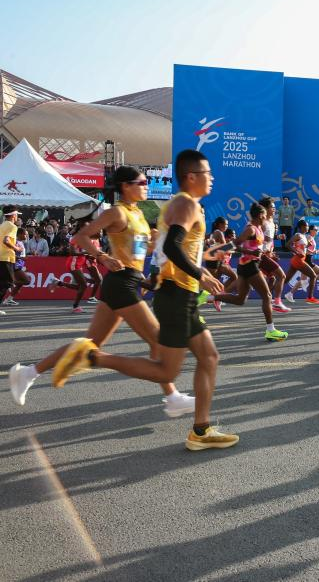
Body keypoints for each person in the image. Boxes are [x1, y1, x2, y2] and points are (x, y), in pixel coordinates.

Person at [22, 150, 238, 450]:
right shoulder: (178, 206)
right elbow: (172, 248)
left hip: (155, 287)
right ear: (191, 177)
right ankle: (92, 359)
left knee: (208, 357)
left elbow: (163, 250)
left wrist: (169, 270)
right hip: (147, 288)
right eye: (207, 173)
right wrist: (198, 272)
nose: (212, 178)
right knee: (165, 366)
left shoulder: (150, 212)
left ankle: (197, 426)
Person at [8, 167, 195, 415]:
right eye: (141, 182)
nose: (146, 186)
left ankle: (27, 373)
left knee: (90, 345)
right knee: (158, 341)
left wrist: (154, 242)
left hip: (126, 281)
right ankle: (172, 397)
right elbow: (81, 236)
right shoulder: (116, 212)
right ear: (126, 186)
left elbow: (138, 252)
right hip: (121, 283)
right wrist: (102, 256)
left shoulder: (137, 213)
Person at [208, 203, 289, 341]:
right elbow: (235, 244)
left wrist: (267, 255)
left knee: (240, 299)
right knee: (267, 296)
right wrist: (250, 252)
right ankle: (271, 330)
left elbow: (257, 247)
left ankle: (210, 297)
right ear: (260, 215)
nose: (266, 218)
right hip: (249, 265)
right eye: (264, 215)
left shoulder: (258, 228)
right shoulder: (250, 229)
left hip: (247, 265)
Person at [47, 218, 103, 313]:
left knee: (79, 287)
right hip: (73, 264)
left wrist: (90, 256)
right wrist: (86, 253)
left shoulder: (86, 238)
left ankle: (58, 283)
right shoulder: (76, 238)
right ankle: (75, 306)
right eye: (86, 226)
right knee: (83, 286)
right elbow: (72, 252)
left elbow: (87, 252)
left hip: (79, 264)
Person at [257, 197, 290, 314]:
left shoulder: (272, 222)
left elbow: (269, 239)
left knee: (272, 279)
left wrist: (277, 237)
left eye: (275, 207)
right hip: (260, 255)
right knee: (282, 276)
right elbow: (258, 237)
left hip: (266, 254)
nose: (274, 209)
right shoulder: (262, 222)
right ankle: (276, 301)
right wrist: (266, 241)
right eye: (272, 207)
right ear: (265, 209)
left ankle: (268, 300)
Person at [282, 220, 319, 305]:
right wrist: (296, 252)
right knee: (313, 276)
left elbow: (302, 248)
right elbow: (287, 244)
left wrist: (307, 246)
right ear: (302, 227)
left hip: (299, 260)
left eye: (307, 226)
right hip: (298, 260)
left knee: (285, 280)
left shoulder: (304, 236)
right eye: (306, 226)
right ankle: (310, 298)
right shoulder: (298, 235)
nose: (307, 227)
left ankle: (271, 295)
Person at [1, 227, 31, 305]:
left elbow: (21, 254)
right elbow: (11, 254)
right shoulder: (15, 242)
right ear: (20, 234)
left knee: (20, 283)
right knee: (27, 281)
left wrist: (24, 258)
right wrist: (21, 258)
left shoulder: (21, 242)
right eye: (25, 234)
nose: (26, 236)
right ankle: (10, 282)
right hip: (14, 265)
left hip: (19, 265)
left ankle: (9, 299)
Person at [0, 207, 20, 309]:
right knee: (6, 283)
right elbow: (6, 240)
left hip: (3, 257)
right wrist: (17, 248)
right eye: (16, 214)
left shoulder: (2, 225)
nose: (17, 216)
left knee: (3, 283)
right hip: (6, 257)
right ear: (13, 215)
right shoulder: (12, 226)